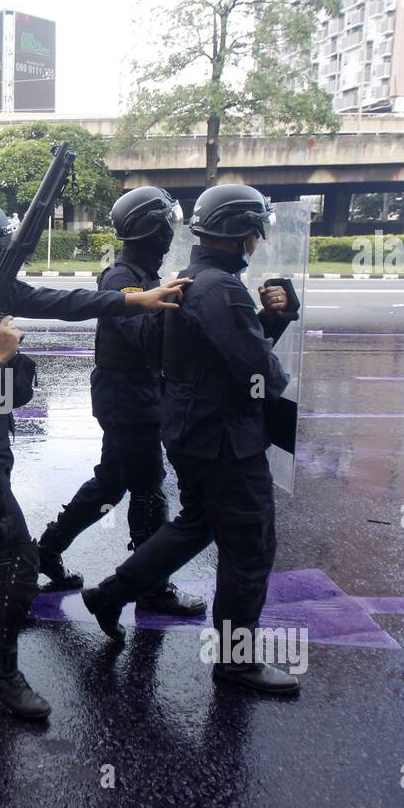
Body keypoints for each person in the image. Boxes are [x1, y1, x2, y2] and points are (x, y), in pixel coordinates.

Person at [0, 197, 186, 720]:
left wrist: (134, 302)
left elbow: (60, 301)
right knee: (17, 557)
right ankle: (0, 671)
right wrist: (0, 356)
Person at [81, 184, 302, 694]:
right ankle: (235, 660)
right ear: (246, 234)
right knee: (250, 547)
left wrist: (270, 317)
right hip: (226, 440)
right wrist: (270, 333)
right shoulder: (221, 288)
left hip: (190, 433)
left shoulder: (189, 279)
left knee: (194, 525)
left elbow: (213, 355)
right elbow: (261, 370)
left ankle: (110, 594)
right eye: (256, 231)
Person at [35, 187, 206, 617]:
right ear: (151, 230)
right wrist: (174, 303)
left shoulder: (144, 275)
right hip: (127, 399)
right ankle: (152, 586)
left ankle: (46, 549)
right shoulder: (123, 279)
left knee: (111, 483)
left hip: (136, 395)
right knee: (149, 487)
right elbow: (145, 336)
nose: (171, 232)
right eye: (166, 223)